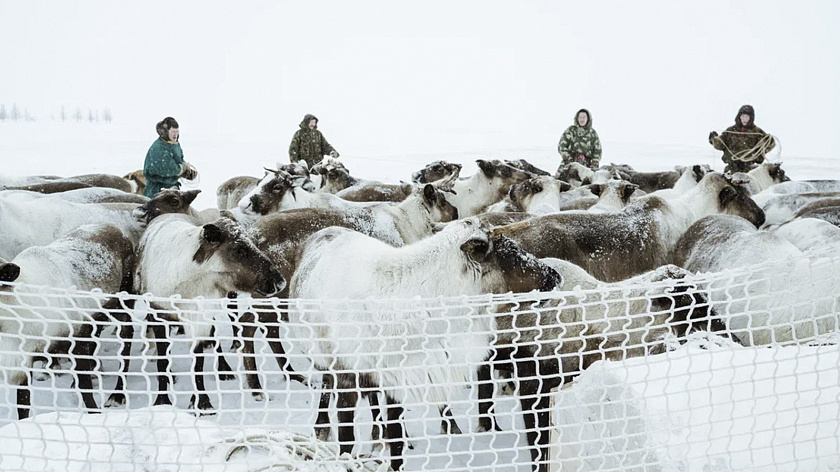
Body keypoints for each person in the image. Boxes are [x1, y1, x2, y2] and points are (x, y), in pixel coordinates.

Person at [709, 105, 776, 174]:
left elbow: (769, 145)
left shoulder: (757, 132)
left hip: (751, 168)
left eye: (747, 117)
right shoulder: (730, 131)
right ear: (739, 117)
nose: (744, 119)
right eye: (743, 116)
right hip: (732, 167)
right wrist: (714, 139)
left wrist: (769, 142)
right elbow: (720, 145)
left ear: (751, 118)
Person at [142, 117, 197, 198]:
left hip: (171, 189)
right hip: (157, 191)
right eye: (173, 132)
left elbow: (179, 160)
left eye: (177, 131)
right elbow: (168, 169)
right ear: (165, 132)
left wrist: (186, 171)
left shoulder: (174, 144)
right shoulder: (159, 148)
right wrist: (181, 170)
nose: (175, 134)